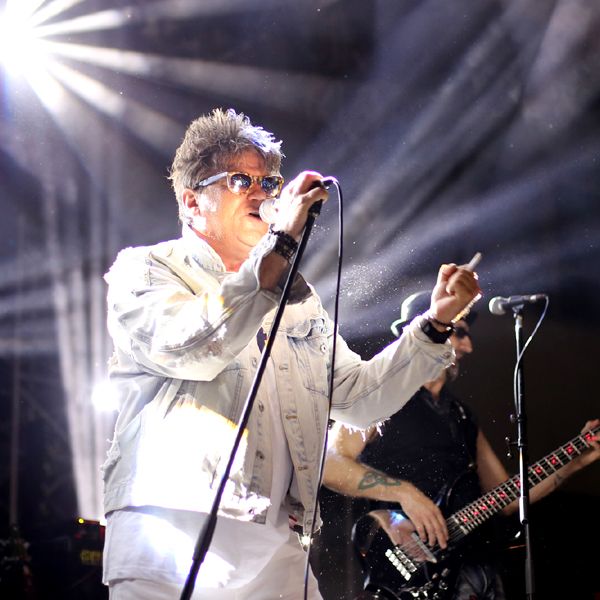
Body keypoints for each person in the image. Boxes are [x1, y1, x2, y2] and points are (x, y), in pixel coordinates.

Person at [100, 108, 481, 600]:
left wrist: (434, 324)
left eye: (269, 182)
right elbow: (196, 345)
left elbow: (359, 398)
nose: (261, 193)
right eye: (240, 180)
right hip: (170, 529)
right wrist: (278, 244)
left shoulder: (297, 301)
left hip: (276, 542)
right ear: (192, 202)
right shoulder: (147, 270)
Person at [323, 290, 600, 600]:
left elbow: (507, 497)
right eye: (460, 334)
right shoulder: (383, 398)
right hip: (412, 569)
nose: (468, 347)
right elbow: (330, 464)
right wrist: (404, 493)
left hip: (474, 570)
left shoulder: (463, 415)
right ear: (427, 328)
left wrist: (577, 458)